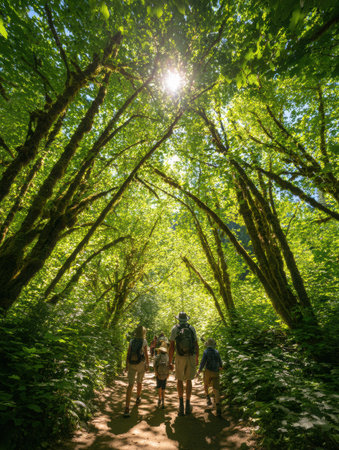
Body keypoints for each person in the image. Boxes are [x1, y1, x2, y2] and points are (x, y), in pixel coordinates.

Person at [168, 312, 199, 416]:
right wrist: (197, 357)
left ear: (178, 319)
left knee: (180, 379)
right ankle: (188, 405)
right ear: (186, 319)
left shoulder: (175, 329)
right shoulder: (191, 328)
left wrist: (170, 360)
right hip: (190, 356)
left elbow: (172, 346)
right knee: (189, 380)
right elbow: (195, 343)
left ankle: (181, 405)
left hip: (179, 357)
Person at [123, 325, 149, 418]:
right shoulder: (144, 341)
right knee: (139, 381)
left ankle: (126, 408)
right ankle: (138, 398)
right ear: (143, 332)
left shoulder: (131, 341)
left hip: (131, 363)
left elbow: (128, 353)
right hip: (140, 363)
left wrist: (126, 365)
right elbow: (146, 354)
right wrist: (147, 364)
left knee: (130, 385)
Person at [197, 337, 223, 417]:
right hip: (216, 372)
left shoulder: (206, 352)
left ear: (207, 345)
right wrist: (220, 367)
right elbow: (220, 362)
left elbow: (203, 362)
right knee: (216, 389)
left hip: (208, 371)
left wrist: (199, 370)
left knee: (205, 384)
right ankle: (218, 406)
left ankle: (207, 397)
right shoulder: (217, 352)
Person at [153, 343, 170, 409]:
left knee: (159, 387)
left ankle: (159, 399)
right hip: (165, 374)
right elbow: (168, 366)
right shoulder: (167, 357)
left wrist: (156, 373)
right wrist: (168, 374)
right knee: (163, 388)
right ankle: (163, 402)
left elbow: (154, 366)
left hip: (159, 374)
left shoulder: (157, 356)